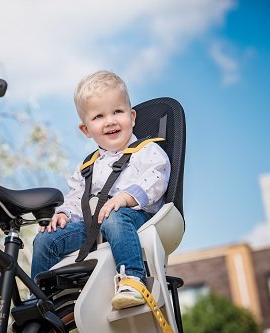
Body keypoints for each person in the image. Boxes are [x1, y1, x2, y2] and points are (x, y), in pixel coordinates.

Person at [31, 70, 171, 310]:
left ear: (132, 116)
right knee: (46, 238)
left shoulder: (146, 150)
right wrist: (64, 214)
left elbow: (157, 176)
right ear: (86, 129)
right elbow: (78, 198)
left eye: (118, 111)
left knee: (115, 218)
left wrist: (126, 198)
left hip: (137, 218)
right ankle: (40, 300)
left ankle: (133, 280)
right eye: (98, 116)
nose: (110, 121)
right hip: (94, 225)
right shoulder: (87, 167)